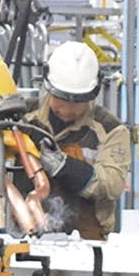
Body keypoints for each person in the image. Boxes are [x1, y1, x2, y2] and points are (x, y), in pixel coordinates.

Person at [21, 41, 131, 240]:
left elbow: (112, 184)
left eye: (78, 101)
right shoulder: (22, 119)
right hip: (22, 237)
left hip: (87, 242)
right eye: (61, 98)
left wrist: (63, 166)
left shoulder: (110, 130)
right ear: (48, 86)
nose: (68, 109)